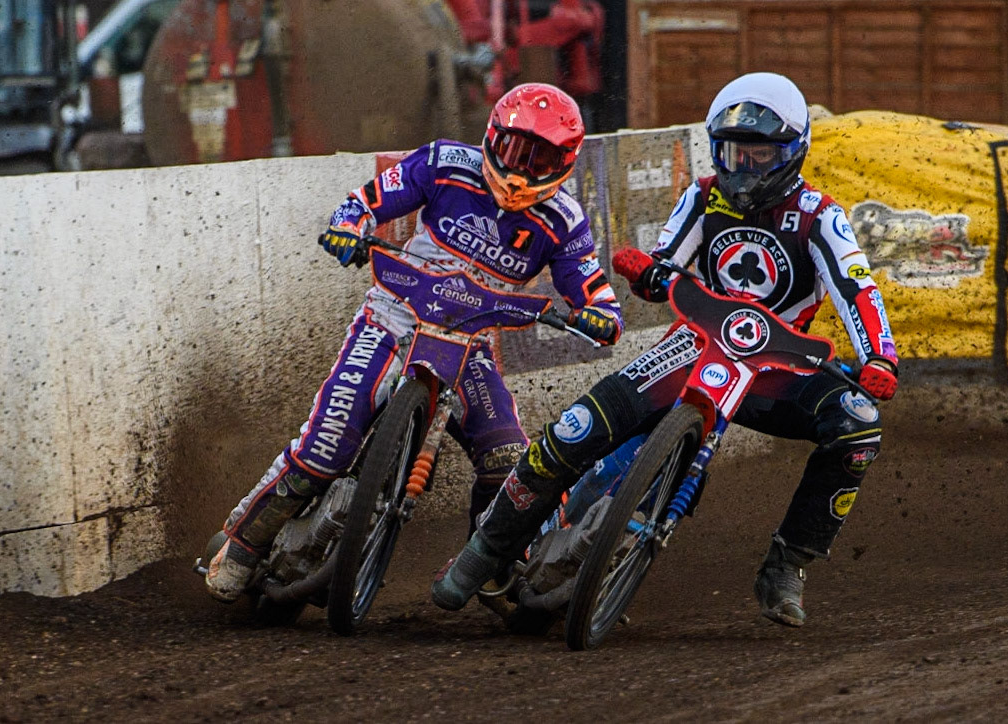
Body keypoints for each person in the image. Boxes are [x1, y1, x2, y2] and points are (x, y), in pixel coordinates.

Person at [432, 72, 899, 627]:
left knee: (858, 422)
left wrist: (879, 357)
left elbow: (856, 289)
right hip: (693, 348)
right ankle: (486, 548)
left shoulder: (822, 216)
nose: (741, 168)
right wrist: (651, 273)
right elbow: (667, 257)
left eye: (757, 156)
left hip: (777, 368)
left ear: (792, 152)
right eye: (731, 153)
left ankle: (788, 563)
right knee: (573, 429)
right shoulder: (702, 197)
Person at [205, 82, 623, 603]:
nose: (521, 168)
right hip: (394, 317)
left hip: (471, 343)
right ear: (493, 136)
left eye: (540, 158)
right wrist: (348, 227)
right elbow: (365, 203)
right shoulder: (444, 161)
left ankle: (497, 564)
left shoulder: (564, 221)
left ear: (564, 162)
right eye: (516, 150)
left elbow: (591, 286)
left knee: (509, 458)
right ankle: (243, 544)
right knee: (326, 445)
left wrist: (600, 313)